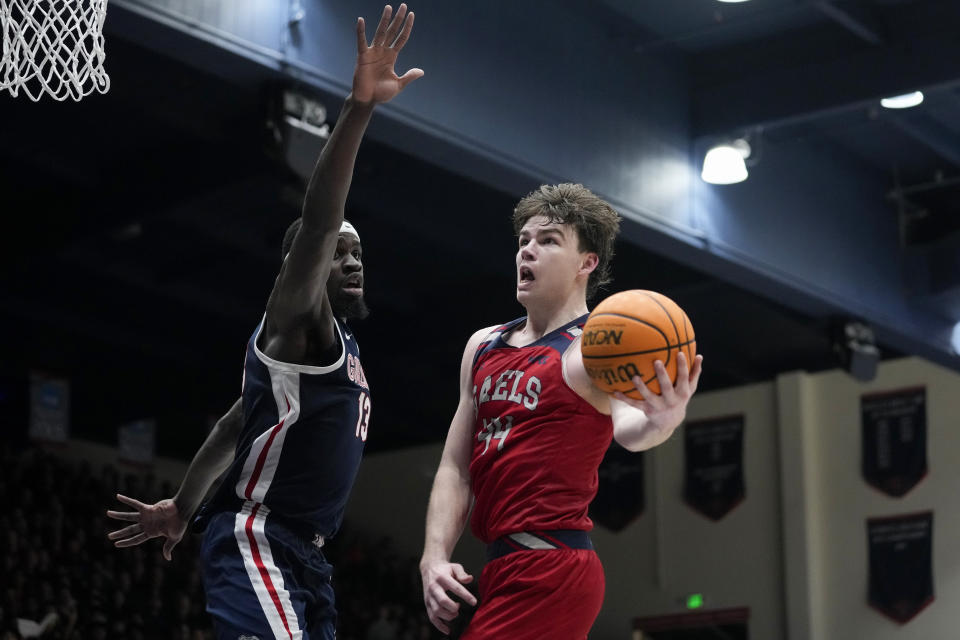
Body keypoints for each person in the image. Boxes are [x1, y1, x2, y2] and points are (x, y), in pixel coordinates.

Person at [106, 5, 423, 638]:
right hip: (261, 539)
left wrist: (183, 505)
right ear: (301, 265)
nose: (352, 259)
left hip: (306, 556)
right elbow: (321, 215)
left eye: (359, 253)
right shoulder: (296, 317)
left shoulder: (331, 349)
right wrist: (359, 109)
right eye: (340, 252)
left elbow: (233, 424)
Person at [419, 183, 704, 639]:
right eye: (523, 241)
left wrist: (661, 420)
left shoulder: (595, 349)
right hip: (500, 565)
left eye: (548, 241)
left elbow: (628, 429)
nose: (528, 251)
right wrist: (434, 555)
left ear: (586, 263)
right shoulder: (483, 345)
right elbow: (456, 468)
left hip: (551, 565)